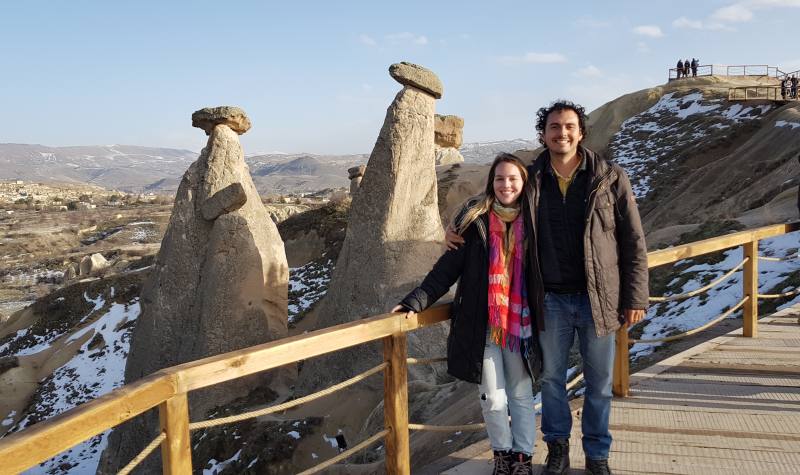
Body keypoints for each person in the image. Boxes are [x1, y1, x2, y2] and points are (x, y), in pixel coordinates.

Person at [446, 101, 649, 475]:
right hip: (550, 298)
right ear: (543, 134)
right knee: (553, 379)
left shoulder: (609, 176)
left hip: (598, 298)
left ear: (581, 131)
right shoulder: (533, 175)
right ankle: (557, 448)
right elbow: (494, 198)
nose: (562, 133)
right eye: (554, 127)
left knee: (600, 382)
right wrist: (457, 225)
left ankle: (597, 453)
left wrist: (635, 296)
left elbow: (632, 240)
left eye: (569, 126)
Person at [394, 153, 541, 475]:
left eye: (513, 178)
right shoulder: (475, 223)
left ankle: (523, 459)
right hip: (481, 325)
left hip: (520, 326)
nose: (506, 185)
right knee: (491, 397)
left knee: (519, 394)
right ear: (492, 183)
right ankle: (502, 456)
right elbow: (446, 269)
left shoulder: (536, 222)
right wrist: (414, 301)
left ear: (524, 183)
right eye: (500, 178)